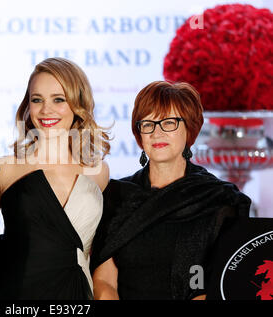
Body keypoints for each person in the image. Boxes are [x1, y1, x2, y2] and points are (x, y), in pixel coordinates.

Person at [91, 81, 251, 300]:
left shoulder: (219, 199)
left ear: (190, 128)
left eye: (169, 122)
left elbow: (218, 284)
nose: (157, 133)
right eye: (148, 124)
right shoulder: (116, 196)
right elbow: (104, 281)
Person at [0, 57, 110, 299]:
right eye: (37, 100)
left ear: (78, 103)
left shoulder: (99, 171)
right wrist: (21, 258)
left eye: (58, 99)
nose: (46, 110)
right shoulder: (4, 169)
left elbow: (99, 254)